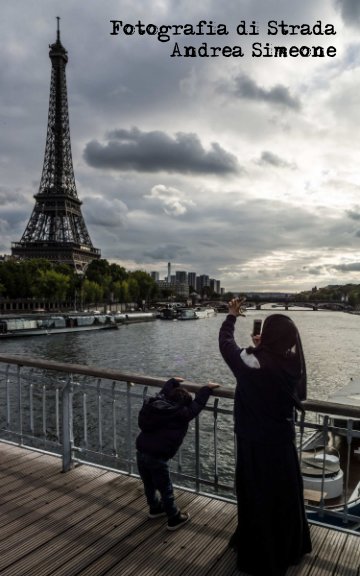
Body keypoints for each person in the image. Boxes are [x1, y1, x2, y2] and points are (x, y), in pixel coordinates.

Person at [219, 298, 312, 576]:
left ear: (268, 336)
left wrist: (231, 316)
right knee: (283, 497)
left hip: (255, 443)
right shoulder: (292, 364)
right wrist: (264, 348)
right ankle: (290, 547)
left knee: (257, 496)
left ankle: (260, 553)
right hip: (282, 442)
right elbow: (285, 378)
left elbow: (226, 346)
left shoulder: (253, 361)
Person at [136, 376, 220, 531]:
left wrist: (172, 381)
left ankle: (155, 508)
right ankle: (174, 517)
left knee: (148, 483)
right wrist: (207, 388)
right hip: (158, 456)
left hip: (141, 450)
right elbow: (198, 404)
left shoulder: (155, 405)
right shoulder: (181, 413)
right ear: (183, 404)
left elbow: (163, 392)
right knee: (165, 488)